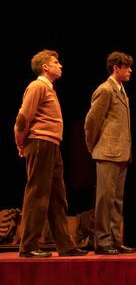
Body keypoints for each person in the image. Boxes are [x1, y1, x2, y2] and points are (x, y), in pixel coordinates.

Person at [14, 49, 88, 257]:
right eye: (56, 62)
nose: (60, 65)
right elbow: (22, 118)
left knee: (58, 197)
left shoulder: (49, 88)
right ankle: (28, 246)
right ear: (45, 67)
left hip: (51, 144)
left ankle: (65, 245)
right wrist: (21, 144)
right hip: (40, 142)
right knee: (37, 194)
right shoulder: (37, 86)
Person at [84, 51, 136, 255]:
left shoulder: (121, 90)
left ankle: (115, 240)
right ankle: (102, 240)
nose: (130, 70)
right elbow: (91, 121)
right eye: (127, 67)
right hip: (107, 152)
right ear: (116, 67)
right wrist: (93, 147)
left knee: (117, 200)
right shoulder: (105, 90)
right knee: (104, 199)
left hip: (122, 152)